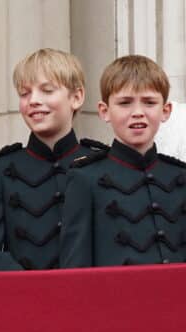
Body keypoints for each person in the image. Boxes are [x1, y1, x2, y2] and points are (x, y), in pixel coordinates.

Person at [0, 49, 105, 271]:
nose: (34, 100)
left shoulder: (101, 164)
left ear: (76, 97)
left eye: (47, 90)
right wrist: (37, 289)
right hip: (23, 299)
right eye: (25, 93)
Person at [61, 55, 183, 267]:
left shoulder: (180, 176)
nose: (138, 113)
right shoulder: (85, 178)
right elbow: (75, 269)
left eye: (149, 102)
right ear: (104, 111)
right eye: (125, 103)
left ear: (166, 111)